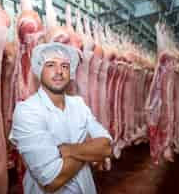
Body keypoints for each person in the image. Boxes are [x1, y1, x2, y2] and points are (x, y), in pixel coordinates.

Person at [9, 42, 113, 194]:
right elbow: (51, 179)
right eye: (51, 65)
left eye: (65, 66)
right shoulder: (27, 111)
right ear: (39, 70)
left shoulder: (79, 104)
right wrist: (89, 150)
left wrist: (68, 150)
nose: (59, 71)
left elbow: (107, 147)